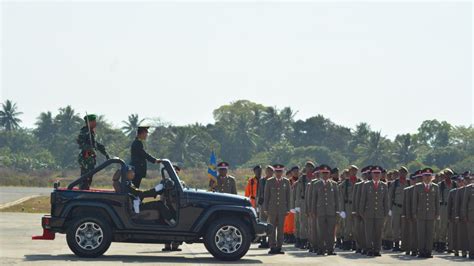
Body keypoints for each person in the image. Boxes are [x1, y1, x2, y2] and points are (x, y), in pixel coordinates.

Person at [359, 166, 389, 257]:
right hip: (368, 213)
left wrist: (386, 213)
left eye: (378, 173)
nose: (376, 175)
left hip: (380, 213)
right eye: (375, 173)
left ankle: (377, 249)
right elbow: (363, 199)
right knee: (369, 232)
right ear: (371, 174)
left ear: (380, 175)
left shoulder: (384, 185)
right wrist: (361, 212)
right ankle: (369, 249)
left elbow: (386, 201)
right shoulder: (367, 185)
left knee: (378, 232)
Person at [311, 164, 340, 255]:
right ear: (320, 173)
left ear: (330, 174)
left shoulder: (334, 185)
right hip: (320, 211)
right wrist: (313, 211)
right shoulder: (316, 184)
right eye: (323, 173)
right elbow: (314, 199)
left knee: (331, 231)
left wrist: (338, 211)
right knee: (321, 231)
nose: (325, 175)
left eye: (327, 173)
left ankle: (330, 249)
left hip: (331, 211)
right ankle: (321, 249)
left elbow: (337, 199)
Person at [412, 167, 440, 258]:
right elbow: (414, 201)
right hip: (420, 214)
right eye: (425, 175)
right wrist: (414, 213)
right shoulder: (418, 186)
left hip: (431, 214)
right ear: (422, 176)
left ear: (431, 176)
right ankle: (421, 251)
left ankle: (428, 251)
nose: (427, 177)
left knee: (430, 233)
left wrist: (437, 213)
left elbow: (437, 201)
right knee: (421, 233)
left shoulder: (435, 187)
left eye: (429, 175)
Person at [77, 114, 110, 190]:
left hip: (90, 158)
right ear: (89, 122)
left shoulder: (91, 132)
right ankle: (82, 192)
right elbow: (80, 142)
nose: (95, 123)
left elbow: (96, 145)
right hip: (86, 158)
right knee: (85, 177)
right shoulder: (84, 131)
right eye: (94, 121)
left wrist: (105, 153)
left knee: (89, 177)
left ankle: (85, 189)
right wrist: (89, 148)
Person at [263, 164, 291, 255]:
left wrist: (288, 209)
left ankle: (279, 247)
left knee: (281, 229)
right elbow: (266, 196)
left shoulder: (286, 182)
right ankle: (272, 246)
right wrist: (265, 208)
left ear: (283, 172)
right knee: (271, 228)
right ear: (274, 172)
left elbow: (288, 196)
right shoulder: (269, 181)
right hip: (272, 209)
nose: (278, 173)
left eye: (280, 171)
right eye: (277, 171)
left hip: (282, 209)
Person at [293, 161, 315, 250]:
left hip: (312, 202)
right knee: (303, 222)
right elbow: (298, 192)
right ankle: (302, 240)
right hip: (303, 201)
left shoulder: (315, 178)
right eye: (308, 167)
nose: (309, 169)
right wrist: (297, 205)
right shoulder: (302, 179)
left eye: (311, 167)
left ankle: (311, 241)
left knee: (312, 223)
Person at [162, 164, 183, 252]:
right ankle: (167, 245)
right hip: (168, 206)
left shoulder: (181, 183)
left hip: (178, 208)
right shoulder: (164, 182)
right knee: (167, 225)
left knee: (178, 226)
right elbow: (162, 195)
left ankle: (175, 245)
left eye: (176, 172)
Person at [389, 166, 409, 252]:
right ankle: (396, 244)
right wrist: (389, 209)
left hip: (405, 208)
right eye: (401, 172)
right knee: (396, 227)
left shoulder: (408, 183)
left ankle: (403, 245)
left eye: (404, 172)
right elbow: (390, 196)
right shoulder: (395, 183)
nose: (402, 174)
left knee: (404, 227)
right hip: (396, 207)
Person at [436, 168, 455, 252]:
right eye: (447, 174)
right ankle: (441, 244)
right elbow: (437, 197)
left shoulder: (454, 184)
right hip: (443, 206)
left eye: (450, 175)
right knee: (442, 226)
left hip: (452, 207)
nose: (448, 176)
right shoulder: (441, 185)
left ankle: (450, 245)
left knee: (450, 227)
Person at [339, 165, 358, 250]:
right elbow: (341, 198)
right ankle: (346, 243)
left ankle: (355, 243)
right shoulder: (345, 184)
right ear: (349, 172)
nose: (353, 172)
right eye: (352, 171)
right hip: (348, 206)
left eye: (355, 171)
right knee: (348, 226)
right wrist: (342, 210)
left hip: (357, 206)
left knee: (356, 226)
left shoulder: (359, 182)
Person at [257, 165, 274, 248]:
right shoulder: (262, 181)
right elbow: (259, 192)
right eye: (268, 171)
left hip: (272, 204)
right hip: (263, 204)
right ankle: (263, 240)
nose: (269, 173)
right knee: (263, 222)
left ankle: (271, 240)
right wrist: (258, 204)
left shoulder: (275, 181)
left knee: (271, 222)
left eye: (271, 171)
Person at [455, 172, 469, 258]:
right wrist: (457, 215)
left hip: (470, 215)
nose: (466, 182)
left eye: (468, 180)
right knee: (463, 235)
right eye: (464, 180)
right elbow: (457, 204)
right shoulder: (460, 191)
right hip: (462, 216)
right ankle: (463, 251)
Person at [460, 172, 474, 259]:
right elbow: (464, 204)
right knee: (471, 235)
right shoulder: (469, 188)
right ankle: (472, 253)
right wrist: (464, 216)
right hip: (471, 215)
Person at [284, 166, 299, 244]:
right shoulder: (288, 181)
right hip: (290, 203)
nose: (296, 172)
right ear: (292, 172)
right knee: (289, 221)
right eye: (294, 171)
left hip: (299, 203)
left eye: (297, 171)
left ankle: (296, 236)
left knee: (298, 222)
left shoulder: (301, 181)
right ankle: (288, 236)